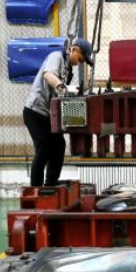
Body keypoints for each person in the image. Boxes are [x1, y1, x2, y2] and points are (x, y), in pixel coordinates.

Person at [23, 38, 94, 187]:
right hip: (35, 112)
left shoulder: (68, 70)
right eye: (81, 58)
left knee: (59, 145)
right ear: (74, 49)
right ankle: (35, 190)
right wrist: (62, 87)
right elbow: (48, 75)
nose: (80, 62)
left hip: (49, 116)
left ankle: (50, 186)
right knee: (44, 149)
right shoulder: (56, 57)